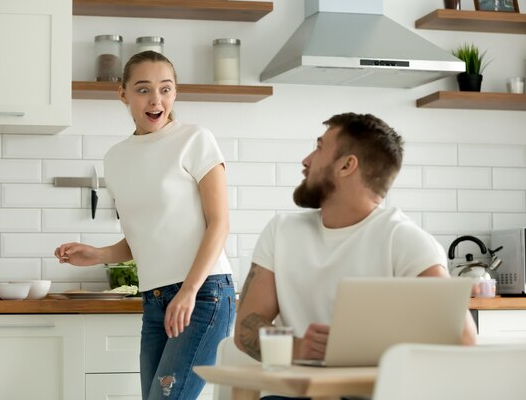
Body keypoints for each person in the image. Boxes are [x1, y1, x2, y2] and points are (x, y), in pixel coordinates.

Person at [55, 51, 235, 400]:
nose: (156, 100)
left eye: (165, 89)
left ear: (175, 93)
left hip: (203, 295)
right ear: (122, 93)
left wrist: (188, 292)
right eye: (143, 90)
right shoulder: (116, 158)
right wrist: (96, 254)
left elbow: (219, 223)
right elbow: (142, 235)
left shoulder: (195, 140)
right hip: (154, 299)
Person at [234, 112, 477, 371]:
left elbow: (463, 338)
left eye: (318, 149)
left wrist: (359, 350)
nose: (306, 161)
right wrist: (300, 347)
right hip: (292, 393)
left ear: (347, 166)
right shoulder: (281, 231)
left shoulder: (403, 239)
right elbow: (245, 327)